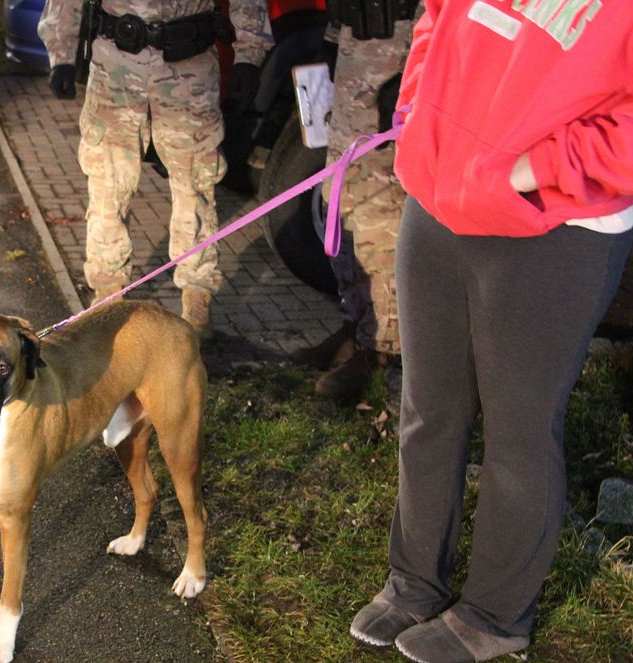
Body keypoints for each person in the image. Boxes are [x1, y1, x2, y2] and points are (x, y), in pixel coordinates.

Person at [349, 0, 633, 663]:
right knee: (428, 409)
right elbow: (439, 19)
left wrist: (524, 172)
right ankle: (415, 580)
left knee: (518, 431)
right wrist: (418, 117)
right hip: (440, 198)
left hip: (555, 224)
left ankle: (497, 615)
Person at [37, 0, 272, 338]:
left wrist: (250, 56)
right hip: (116, 69)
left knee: (195, 187)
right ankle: (106, 295)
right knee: (107, 185)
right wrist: (61, 55)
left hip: (188, 69)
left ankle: (196, 298)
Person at [293, 11, 418, 403]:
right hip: (353, 69)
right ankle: (356, 322)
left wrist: (418, 73)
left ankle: (382, 346)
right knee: (341, 201)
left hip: (399, 67)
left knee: (380, 215)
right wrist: (332, 39)